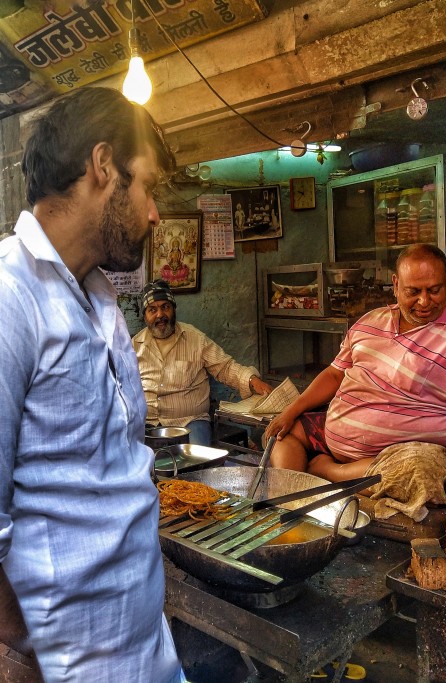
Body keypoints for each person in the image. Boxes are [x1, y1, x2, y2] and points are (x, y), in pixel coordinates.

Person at [0, 87, 182, 681]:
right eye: (148, 187)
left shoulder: (98, 296)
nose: (154, 213)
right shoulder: (10, 298)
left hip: (144, 640)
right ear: (103, 166)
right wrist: (31, 646)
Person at [264, 243, 446, 481]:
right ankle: (292, 502)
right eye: (413, 291)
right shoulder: (370, 321)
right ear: (395, 284)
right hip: (338, 440)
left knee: (420, 469)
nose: (424, 301)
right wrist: (290, 411)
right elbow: (334, 374)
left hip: (412, 458)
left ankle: (328, 473)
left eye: (434, 290)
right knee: (284, 434)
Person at [133, 279, 274, 445]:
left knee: (198, 463)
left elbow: (225, 367)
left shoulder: (195, 339)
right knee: (138, 466)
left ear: (174, 309)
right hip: (148, 424)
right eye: (152, 310)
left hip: (191, 421)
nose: (160, 315)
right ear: (145, 316)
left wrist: (252, 380)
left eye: (165, 307)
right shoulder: (134, 346)